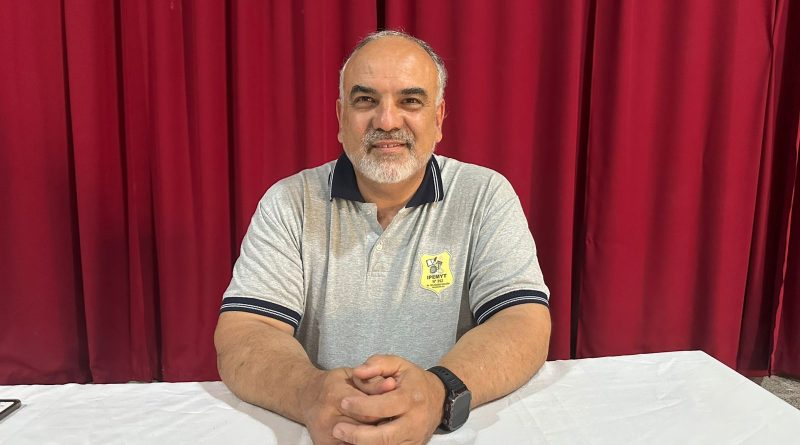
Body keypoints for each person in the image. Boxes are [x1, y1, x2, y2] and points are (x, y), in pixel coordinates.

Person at [214, 30, 551, 445]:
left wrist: (438, 392)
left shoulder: (484, 195)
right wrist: (310, 394)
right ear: (341, 117)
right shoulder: (289, 203)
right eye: (365, 100)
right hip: (323, 431)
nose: (387, 121)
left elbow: (523, 320)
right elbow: (246, 330)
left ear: (438, 118)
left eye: (410, 101)